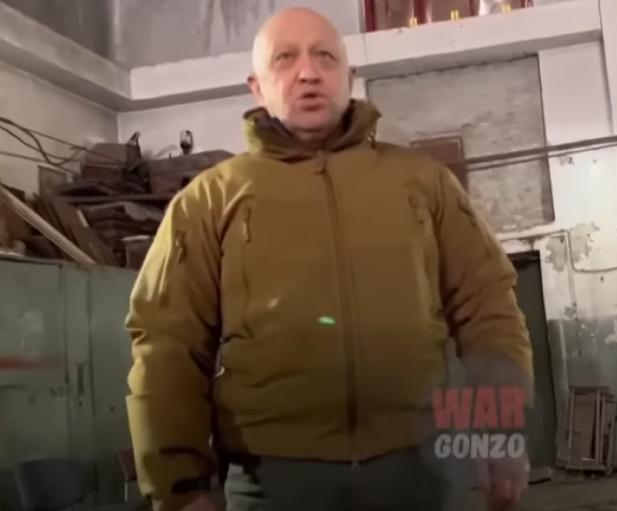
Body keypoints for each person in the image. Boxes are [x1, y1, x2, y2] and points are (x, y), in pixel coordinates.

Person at [126, 7, 533, 511]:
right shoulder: (209, 201)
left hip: (420, 471)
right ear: (257, 87)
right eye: (285, 58)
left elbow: (486, 307)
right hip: (271, 482)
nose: (308, 72)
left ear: (349, 77)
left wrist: (499, 433)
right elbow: (168, 343)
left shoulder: (423, 182)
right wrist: (180, 488)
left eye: (325, 57)